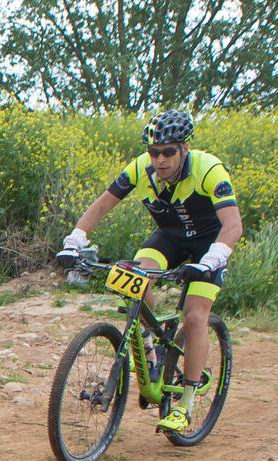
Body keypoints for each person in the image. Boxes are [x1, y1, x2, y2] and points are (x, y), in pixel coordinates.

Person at [61, 111, 241, 433]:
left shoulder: (209, 169)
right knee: (134, 279)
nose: (160, 160)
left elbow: (233, 226)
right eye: (154, 152)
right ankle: (150, 348)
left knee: (195, 316)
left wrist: (212, 260)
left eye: (168, 152)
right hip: (169, 239)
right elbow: (101, 205)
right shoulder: (140, 169)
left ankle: (184, 404)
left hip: (209, 246)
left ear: (184, 148)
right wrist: (75, 240)